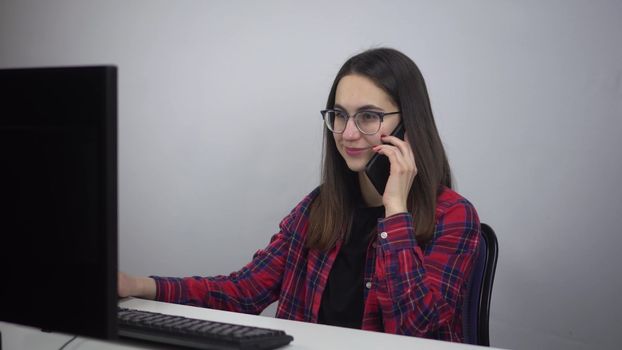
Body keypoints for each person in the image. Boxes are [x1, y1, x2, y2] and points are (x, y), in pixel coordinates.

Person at [119, 47, 480, 342]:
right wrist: (137, 285)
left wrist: (395, 211)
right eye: (339, 115)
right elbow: (243, 290)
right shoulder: (320, 208)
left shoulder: (454, 216)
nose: (348, 133)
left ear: (408, 124)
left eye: (368, 116)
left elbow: (415, 330)